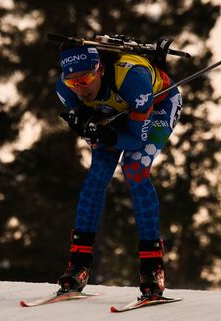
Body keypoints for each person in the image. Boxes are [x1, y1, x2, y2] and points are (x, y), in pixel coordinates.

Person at [55, 43, 183, 299]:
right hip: (116, 113)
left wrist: (108, 135)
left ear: (100, 69)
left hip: (155, 105)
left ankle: (152, 269)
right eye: (73, 82)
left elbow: (136, 140)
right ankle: (78, 265)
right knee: (99, 173)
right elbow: (86, 119)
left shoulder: (133, 81)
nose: (80, 87)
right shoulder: (65, 89)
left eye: (86, 78)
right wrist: (84, 126)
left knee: (134, 168)